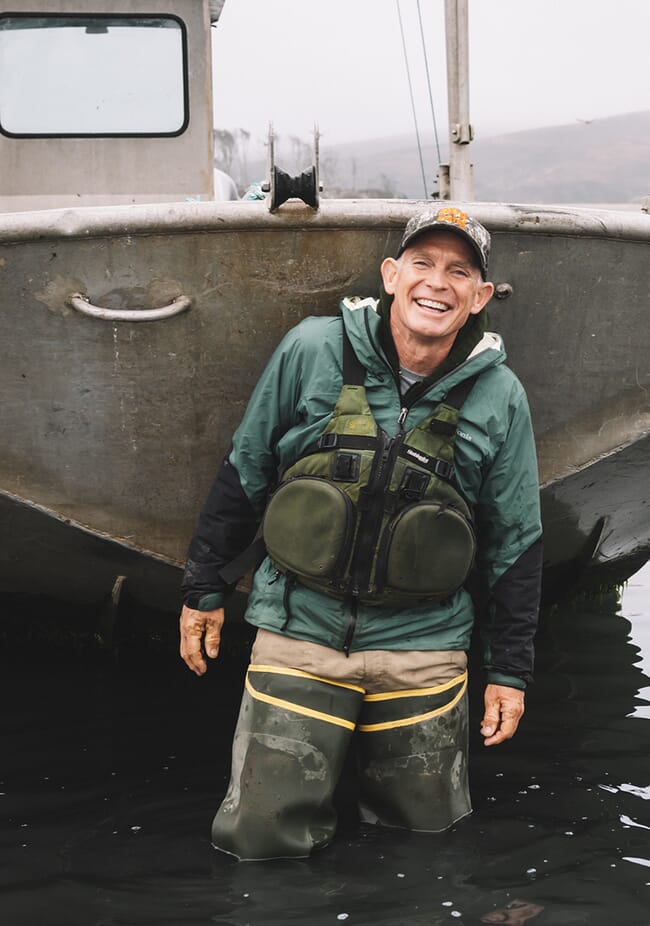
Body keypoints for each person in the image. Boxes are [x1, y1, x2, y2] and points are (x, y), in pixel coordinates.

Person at [179, 206, 543, 861]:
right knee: (259, 843)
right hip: (300, 636)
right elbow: (248, 466)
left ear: (480, 296)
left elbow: (515, 543)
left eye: (459, 271)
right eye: (423, 264)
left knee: (429, 847)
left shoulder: (501, 394)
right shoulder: (311, 347)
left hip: (425, 649)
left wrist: (509, 673)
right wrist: (204, 587)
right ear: (391, 274)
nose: (438, 283)